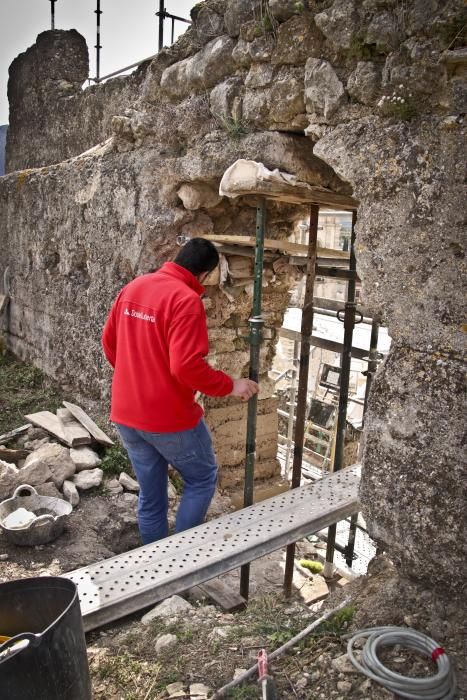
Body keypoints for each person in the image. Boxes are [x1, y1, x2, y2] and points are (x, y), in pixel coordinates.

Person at [101, 237, 258, 544]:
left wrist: (137, 378)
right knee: (202, 477)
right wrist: (231, 385)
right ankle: (180, 557)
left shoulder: (134, 288)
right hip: (168, 417)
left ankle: (154, 567)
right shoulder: (186, 300)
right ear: (205, 275)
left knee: (151, 493)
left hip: (126, 414)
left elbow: (109, 344)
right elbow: (186, 366)